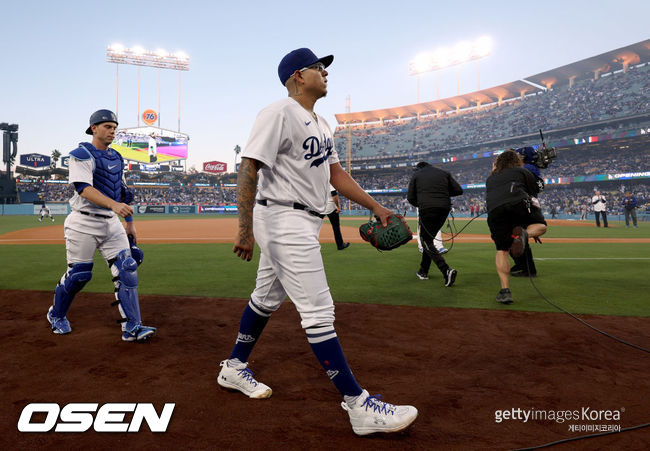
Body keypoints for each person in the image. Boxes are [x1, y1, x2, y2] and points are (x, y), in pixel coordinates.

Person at [219, 48, 418, 436]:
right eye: (318, 67)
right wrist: (243, 230)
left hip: (305, 219)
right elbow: (249, 166)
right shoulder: (278, 112)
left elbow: (336, 175)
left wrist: (377, 208)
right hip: (281, 217)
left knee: (266, 299)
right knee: (318, 312)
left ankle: (233, 367)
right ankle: (358, 405)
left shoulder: (321, 122)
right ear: (298, 76)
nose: (325, 72)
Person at [46, 109, 156, 342]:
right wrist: (115, 205)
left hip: (112, 223)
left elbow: (123, 193)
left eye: (114, 127)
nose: (112, 131)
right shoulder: (81, 155)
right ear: (93, 128)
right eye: (107, 126)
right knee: (80, 275)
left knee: (127, 269)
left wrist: (130, 223)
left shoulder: (116, 157)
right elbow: (84, 189)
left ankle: (132, 328)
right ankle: (56, 315)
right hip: (83, 222)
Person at [486, 150, 547, 304]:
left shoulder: (491, 178)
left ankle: (505, 290)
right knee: (541, 226)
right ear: (516, 160)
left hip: (495, 211)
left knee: (502, 251)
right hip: (519, 202)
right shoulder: (522, 171)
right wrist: (529, 230)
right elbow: (535, 191)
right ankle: (523, 235)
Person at [407, 161, 462, 286]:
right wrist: (443, 193)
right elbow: (459, 190)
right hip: (444, 209)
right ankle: (423, 271)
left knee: (426, 240)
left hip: (427, 209)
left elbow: (410, 197)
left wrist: (421, 204)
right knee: (428, 240)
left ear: (419, 168)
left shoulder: (417, 175)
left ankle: (446, 270)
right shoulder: (444, 173)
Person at [324, 184, 350, 250]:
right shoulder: (330, 184)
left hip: (321, 207)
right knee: (336, 227)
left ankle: (310, 243)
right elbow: (334, 196)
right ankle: (340, 245)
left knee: (315, 226)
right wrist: (338, 206)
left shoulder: (320, 183)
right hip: (331, 208)